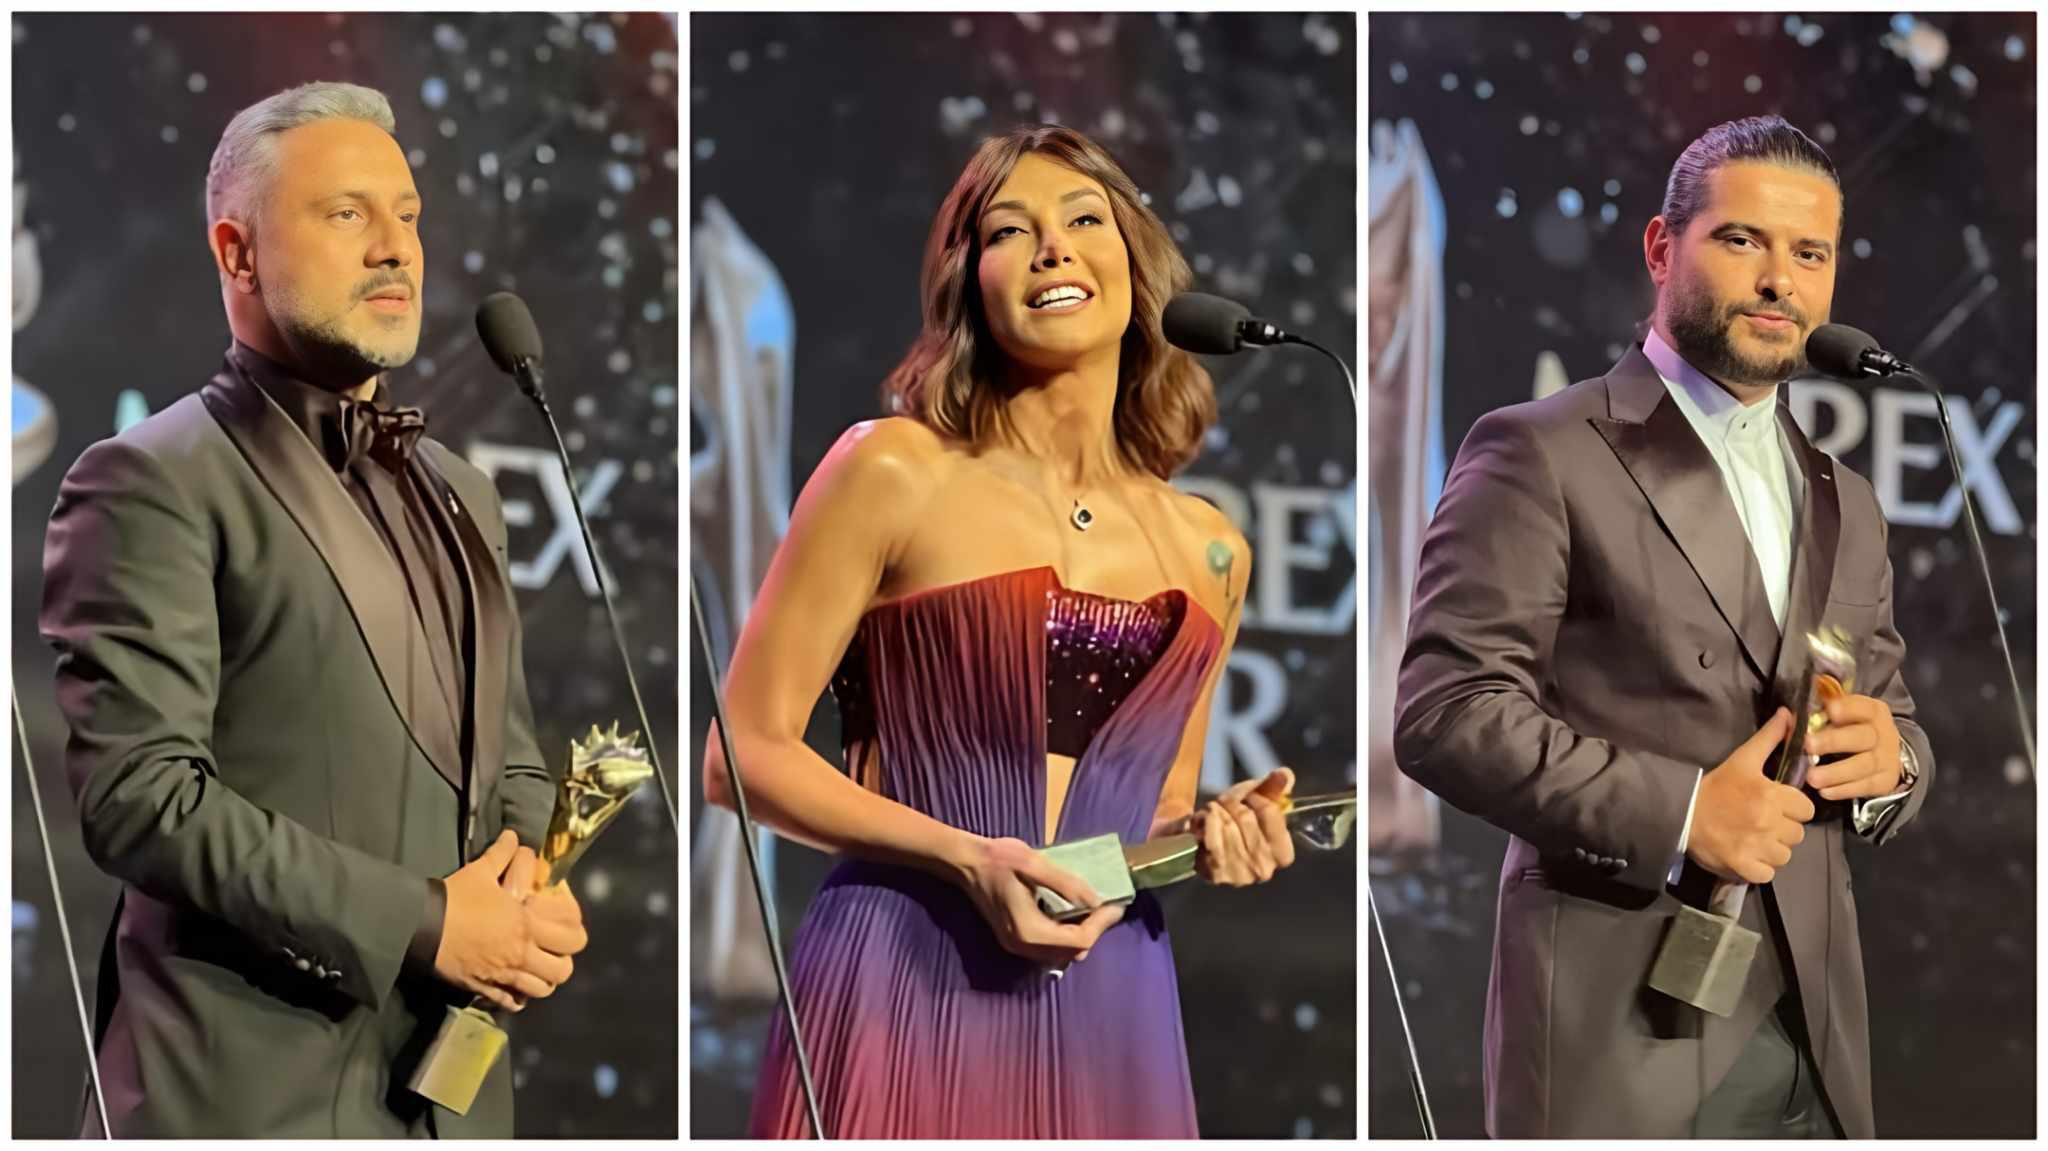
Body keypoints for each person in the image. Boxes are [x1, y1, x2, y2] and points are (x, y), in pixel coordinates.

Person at [703, 124, 1297, 1139]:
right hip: (901, 971)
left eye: (1084, 219)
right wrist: (967, 857)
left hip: (1113, 1000)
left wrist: (1211, 835)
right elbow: (741, 755)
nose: (1053, 247)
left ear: (1137, 263)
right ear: (969, 281)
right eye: (1011, 231)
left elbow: (1154, 810)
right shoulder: (891, 469)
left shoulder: (1211, 548)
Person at [39, 81, 587, 1138]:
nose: (395, 248)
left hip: (451, 1104)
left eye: (408, 215)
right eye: (346, 214)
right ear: (237, 253)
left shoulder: (464, 493)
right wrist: (426, 922)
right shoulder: (151, 479)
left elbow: (508, 759)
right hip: (243, 1094)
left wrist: (525, 890)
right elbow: (141, 796)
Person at [1395, 115, 1933, 1138]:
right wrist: (1685, 811)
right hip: (1619, 1026)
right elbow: (1446, 713)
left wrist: (1892, 762)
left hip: (1813, 1032)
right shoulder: (1540, 450)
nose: (1778, 280)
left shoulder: (1846, 499)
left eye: (1808, 253)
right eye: (1742, 239)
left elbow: (1891, 712)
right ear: (1659, 247)